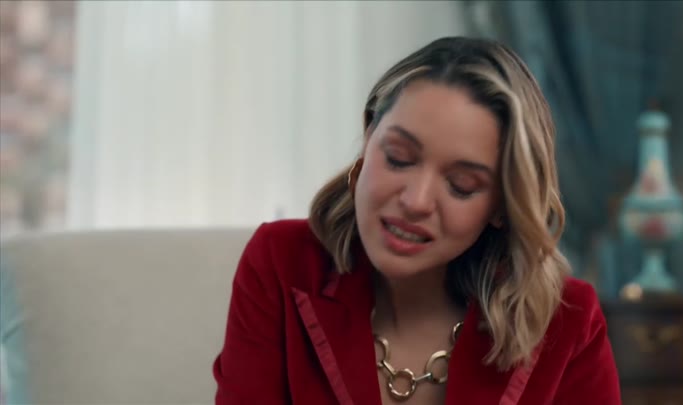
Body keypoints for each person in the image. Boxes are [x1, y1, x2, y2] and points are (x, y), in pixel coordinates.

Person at [213, 36, 621, 405]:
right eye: (399, 158)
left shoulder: (568, 322)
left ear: (502, 206)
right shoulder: (282, 263)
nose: (416, 201)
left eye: (461, 185)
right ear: (368, 138)